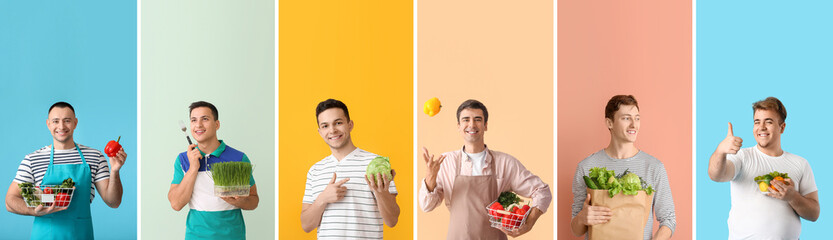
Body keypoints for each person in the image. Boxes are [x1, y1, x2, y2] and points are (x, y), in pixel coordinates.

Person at [420, 99, 552, 239]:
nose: (471, 124)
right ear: (458, 126)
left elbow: (542, 191)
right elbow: (426, 206)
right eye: (466, 120)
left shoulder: (505, 163)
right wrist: (430, 178)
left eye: (478, 119)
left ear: (485, 125)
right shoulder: (446, 162)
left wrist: (529, 223)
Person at [5, 101, 126, 240]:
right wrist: (33, 210)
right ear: (48, 124)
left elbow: (114, 202)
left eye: (67, 121)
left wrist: (115, 171)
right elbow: (10, 201)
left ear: (75, 123)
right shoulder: (32, 159)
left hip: (81, 236)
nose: (61, 126)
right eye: (55, 121)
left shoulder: (95, 157)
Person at [707, 96, 819, 239]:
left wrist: (793, 197)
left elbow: (814, 214)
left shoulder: (801, 163)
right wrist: (720, 152)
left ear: (782, 127)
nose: (761, 127)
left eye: (769, 122)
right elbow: (716, 175)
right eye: (757, 122)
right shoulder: (741, 156)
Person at [570, 95, 676, 240]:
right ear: (609, 123)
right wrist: (582, 218)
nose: (634, 124)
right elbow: (576, 230)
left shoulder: (654, 167)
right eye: (626, 118)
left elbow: (668, 220)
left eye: (637, 118)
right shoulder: (587, 167)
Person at [300, 99, 400, 239]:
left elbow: (392, 220)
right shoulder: (315, 171)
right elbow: (306, 226)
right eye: (325, 126)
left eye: (338, 123)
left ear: (350, 124)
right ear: (320, 132)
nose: (332, 130)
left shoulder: (376, 164)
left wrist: (381, 193)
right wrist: (322, 199)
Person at [167, 101, 259, 239]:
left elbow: (254, 200)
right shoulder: (183, 160)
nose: (198, 125)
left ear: (217, 124)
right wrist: (193, 168)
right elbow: (176, 204)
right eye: (193, 120)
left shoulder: (238, 158)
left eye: (205, 119)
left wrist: (238, 202)